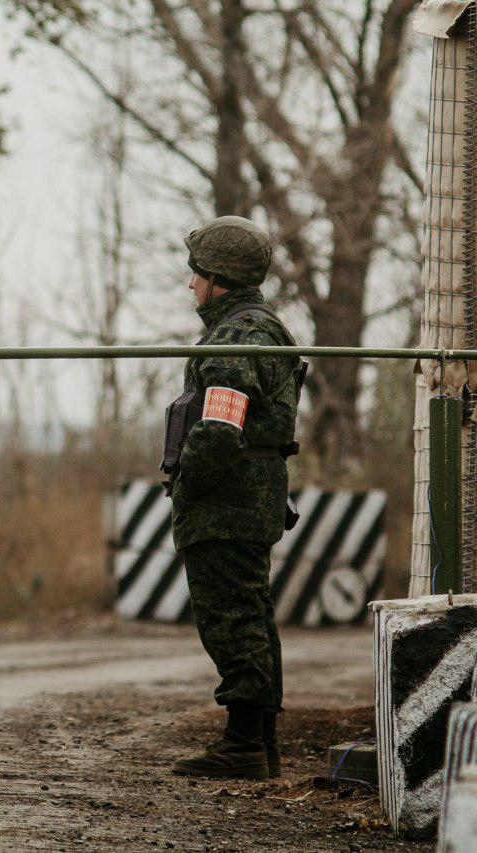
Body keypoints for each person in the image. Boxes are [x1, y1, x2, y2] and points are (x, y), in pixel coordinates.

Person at [160, 216, 305, 780]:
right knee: (249, 616)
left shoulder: (239, 335)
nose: (191, 284)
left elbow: (220, 428)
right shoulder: (254, 328)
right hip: (248, 495)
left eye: (196, 273)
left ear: (217, 276)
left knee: (233, 620)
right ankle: (256, 742)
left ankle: (245, 743)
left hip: (228, 501)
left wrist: (187, 487)